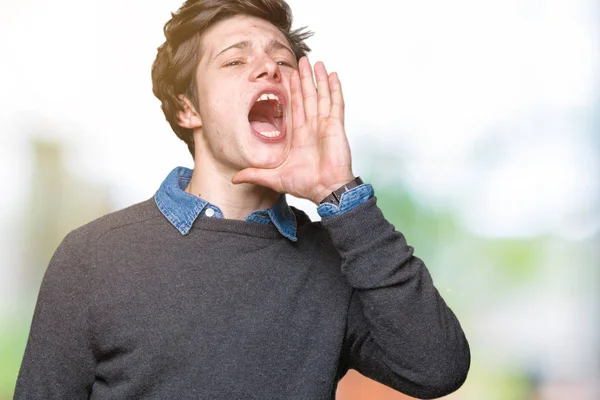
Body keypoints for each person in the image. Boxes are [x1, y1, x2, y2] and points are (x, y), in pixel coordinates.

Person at [15, 0, 470, 399]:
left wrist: (342, 193)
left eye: (284, 61)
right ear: (187, 108)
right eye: (234, 61)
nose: (269, 67)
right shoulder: (93, 257)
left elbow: (438, 369)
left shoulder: (338, 261)